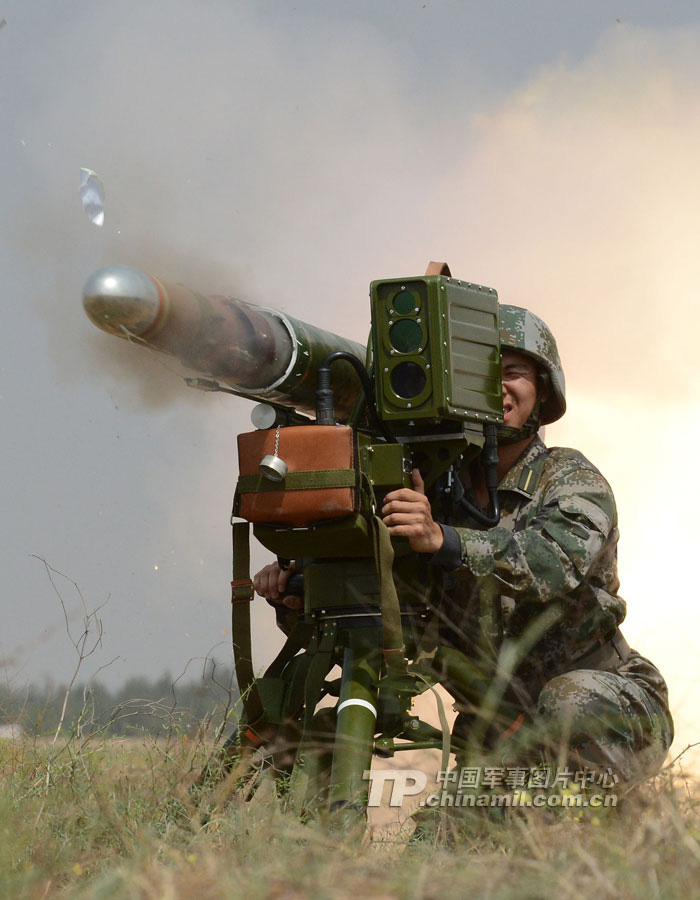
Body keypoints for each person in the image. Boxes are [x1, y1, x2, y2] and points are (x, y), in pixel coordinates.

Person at [254, 304, 673, 787]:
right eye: (481, 372)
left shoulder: (570, 476)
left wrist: (444, 540)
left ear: (542, 393)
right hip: (501, 723)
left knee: (568, 706)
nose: (498, 385)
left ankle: (605, 830)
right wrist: (300, 591)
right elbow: (393, 611)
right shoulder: (432, 491)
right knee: (446, 849)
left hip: (607, 702)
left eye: (513, 371)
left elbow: (552, 562)